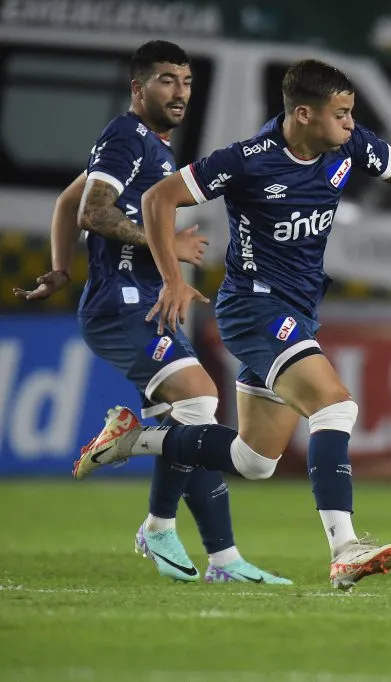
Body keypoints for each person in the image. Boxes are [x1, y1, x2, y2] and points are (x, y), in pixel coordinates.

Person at [71, 58, 391, 590]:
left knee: (253, 460)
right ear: (303, 114)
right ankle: (345, 549)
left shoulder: (350, 145)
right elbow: (158, 198)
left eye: (351, 113)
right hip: (253, 309)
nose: (351, 123)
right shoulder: (248, 160)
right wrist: (172, 279)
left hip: (298, 311)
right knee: (335, 405)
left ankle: (133, 440)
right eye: (341, 114)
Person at [15, 40, 289, 585]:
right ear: (137, 88)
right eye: (167, 80)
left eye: (186, 81)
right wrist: (166, 245)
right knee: (201, 399)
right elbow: (94, 212)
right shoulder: (126, 137)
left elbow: (69, 202)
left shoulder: (151, 147)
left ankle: (223, 560)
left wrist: (61, 268)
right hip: (120, 306)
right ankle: (155, 515)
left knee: (191, 423)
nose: (180, 91)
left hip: (144, 305)